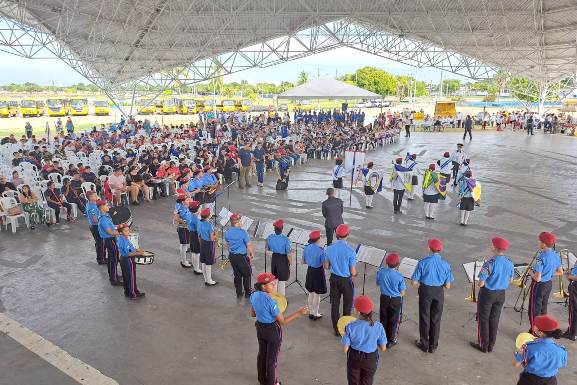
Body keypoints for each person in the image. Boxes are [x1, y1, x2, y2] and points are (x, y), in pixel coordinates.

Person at [249, 272, 308, 385]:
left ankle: (262, 380)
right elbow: (283, 321)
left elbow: (252, 314)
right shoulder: (271, 302)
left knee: (262, 354)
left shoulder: (254, 295)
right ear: (263, 286)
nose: (274, 285)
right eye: (271, 284)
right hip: (272, 331)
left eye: (274, 283)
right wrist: (299, 313)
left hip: (260, 328)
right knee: (272, 361)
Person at [470, 237, 514, 353]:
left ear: (494, 247)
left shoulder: (489, 264)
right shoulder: (509, 263)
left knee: (483, 319)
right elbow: (510, 280)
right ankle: (491, 345)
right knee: (494, 319)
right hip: (501, 294)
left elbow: (481, 283)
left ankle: (483, 345)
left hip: (488, 293)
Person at [411, 238, 454, 353]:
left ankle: (424, 344)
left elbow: (413, 282)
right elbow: (448, 286)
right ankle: (433, 345)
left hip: (425, 291)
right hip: (439, 292)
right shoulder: (446, 265)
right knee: (436, 318)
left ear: (429, 248)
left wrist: (422, 282)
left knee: (424, 317)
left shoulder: (423, 262)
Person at [341, 296, 387, 385]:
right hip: (371, 359)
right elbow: (383, 348)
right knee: (367, 382)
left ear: (358, 312)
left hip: (354, 357)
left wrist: (345, 334)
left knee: (353, 382)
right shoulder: (378, 326)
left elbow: (345, 349)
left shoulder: (350, 326)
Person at [514, 315, 567, 385]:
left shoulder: (529, 347)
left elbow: (516, 364)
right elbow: (562, 364)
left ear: (540, 332)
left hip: (530, 380)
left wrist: (517, 353)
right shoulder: (561, 351)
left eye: (535, 325)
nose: (533, 326)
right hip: (551, 381)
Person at [325, 224, 357, 336]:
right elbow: (353, 271)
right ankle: (344, 328)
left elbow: (326, 266)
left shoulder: (329, 248)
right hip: (346, 280)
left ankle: (336, 329)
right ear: (347, 235)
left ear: (336, 235)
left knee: (335, 304)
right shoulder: (351, 251)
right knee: (347, 305)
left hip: (334, 279)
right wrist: (355, 274)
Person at [528, 232, 563, 333]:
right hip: (548, 284)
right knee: (543, 307)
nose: (539, 242)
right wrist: (549, 274)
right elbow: (560, 271)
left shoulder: (541, 257)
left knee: (534, 308)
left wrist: (529, 271)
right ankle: (543, 330)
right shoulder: (555, 255)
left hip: (539, 285)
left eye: (540, 241)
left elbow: (537, 278)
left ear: (544, 243)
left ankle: (534, 331)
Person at [376, 252, 406, 348]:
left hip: (384, 298)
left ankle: (382, 338)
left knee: (383, 317)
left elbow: (377, 283)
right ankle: (391, 340)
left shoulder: (381, 271)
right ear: (397, 264)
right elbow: (402, 292)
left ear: (386, 263)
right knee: (393, 319)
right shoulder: (399, 276)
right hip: (395, 300)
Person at [225, 213, 254, 298]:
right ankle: (248, 293)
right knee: (247, 274)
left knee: (237, 274)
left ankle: (239, 293)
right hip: (241, 257)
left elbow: (228, 243)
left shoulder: (228, 232)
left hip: (232, 256)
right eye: (240, 221)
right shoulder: (243, 232)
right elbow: (248, 244)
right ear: (237, 223)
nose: (242, 222)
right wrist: (251, 253)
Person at [116, 224, 145, 300]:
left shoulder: (123, 238)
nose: (128, 231)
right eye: (126, 230)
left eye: (128, 230)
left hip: (124, 259)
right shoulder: (123, 240)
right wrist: (139, 253)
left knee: (127, 276)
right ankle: (132, 294)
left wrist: (137, 250)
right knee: (131, 276)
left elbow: (131, 248)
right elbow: (129, 253)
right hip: (128, 259)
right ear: (121, 232)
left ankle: (128, 291)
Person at [302, 230, 327, 320]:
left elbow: (303, 261)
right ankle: (316, 313)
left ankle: (311, 312)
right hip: (318, 273)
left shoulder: (306, 247)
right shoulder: (320, 250)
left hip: (310, 271)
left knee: (311, 292)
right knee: (317, 294)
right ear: (318, 239)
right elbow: (325, 266)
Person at [97, 200, 122, 286]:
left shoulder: (105, 216)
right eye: (107, 205)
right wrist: (121, 232)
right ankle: (114, 279)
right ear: (101, 207)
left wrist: (117, 227)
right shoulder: (103, 219)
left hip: (109, 240)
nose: (109, 207)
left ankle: (113, 275)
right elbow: (109, 232)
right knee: (114, 259)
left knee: (112, 259)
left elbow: (111, 227)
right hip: (111, 240)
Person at [266, 219, 291, 296]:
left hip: (274, 257)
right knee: (282, 280)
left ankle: (274, 296)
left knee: (275, 278)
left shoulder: (270, 237)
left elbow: (268, 248)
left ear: (274, 229)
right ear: (282, 228)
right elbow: (288, 252)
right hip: (283, 259)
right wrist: (289, 262)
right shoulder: (286, 239)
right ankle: (281, 298)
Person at [85, 191, 106, 264]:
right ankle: (101, 259)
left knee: (99, 243)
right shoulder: (92, 207)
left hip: (95, 226)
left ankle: (101, 257)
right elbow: (95, 220)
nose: (96, 196)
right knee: (100, 243)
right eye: (94, 195)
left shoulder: (92, 204)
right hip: (96, 227)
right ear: (90, 198)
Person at [198, 207, 218, 286]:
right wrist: (216, 235)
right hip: (209, 244)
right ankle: (209, 280)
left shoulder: (200, 223)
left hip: (202, 243)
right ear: (209, 216)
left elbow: (199, 235)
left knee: (203, 261)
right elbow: (212, 238)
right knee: (208, 263)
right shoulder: (210, 226)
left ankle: (205, 279)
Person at [173, 193, 192, 268]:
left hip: (186, 228)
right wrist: (184, 223)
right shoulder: (180, 208)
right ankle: (183, 261)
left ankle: (184, 259)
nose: (188, 200)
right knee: (184, 245)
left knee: (185, 245)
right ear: (183, 202)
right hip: (183, 229)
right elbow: (176, 218)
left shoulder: (185, 206)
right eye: (187, 199)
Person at [185, 200, 203, 275]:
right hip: (195, 235)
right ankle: (196, 268)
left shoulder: (189, 214)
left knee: (193, 251)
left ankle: (193, 263)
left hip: (191, 233)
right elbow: (199, 231)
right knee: (197, 253)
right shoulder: (197, 219)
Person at [563, 257, 577, 341]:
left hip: (575, 287)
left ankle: (572, 333)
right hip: (573, 284)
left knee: (573, 310)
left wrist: (570, 276)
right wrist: (568, 275)